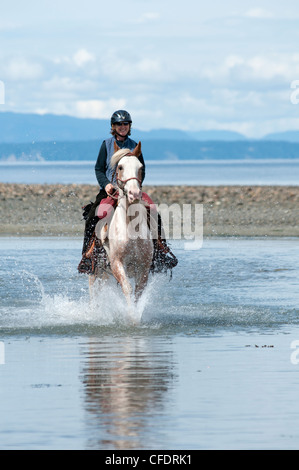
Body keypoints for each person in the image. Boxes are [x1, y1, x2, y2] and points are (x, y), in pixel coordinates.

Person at [78, 110, 177, 275]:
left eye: (125, 124)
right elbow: (98, 169)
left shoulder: (135, 147)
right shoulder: (107, 144)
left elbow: (142, 170)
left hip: (132, 189)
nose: (122, 127)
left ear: (129, 126)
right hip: (111, 190)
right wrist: (107, 185)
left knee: (153, 210)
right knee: (95, 215)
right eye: (119, 124)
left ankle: (160, 250)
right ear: (113, 126)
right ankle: (89, 255)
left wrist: (135, 185)